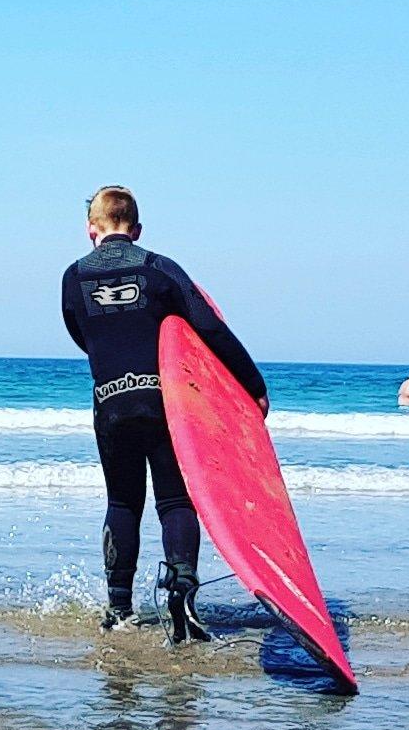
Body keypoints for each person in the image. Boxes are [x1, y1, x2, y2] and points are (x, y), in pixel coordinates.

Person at [60, 186, 267, 640]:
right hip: (163, 402)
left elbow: (80, 333)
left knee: (122, 503)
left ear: (90, 229)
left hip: (110, 402)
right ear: (136, 230)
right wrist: (253, 385)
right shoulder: (159, 269)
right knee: (174, 500)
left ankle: (119, 611)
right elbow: (208, 326)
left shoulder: (73, 277)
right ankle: (182, 599)